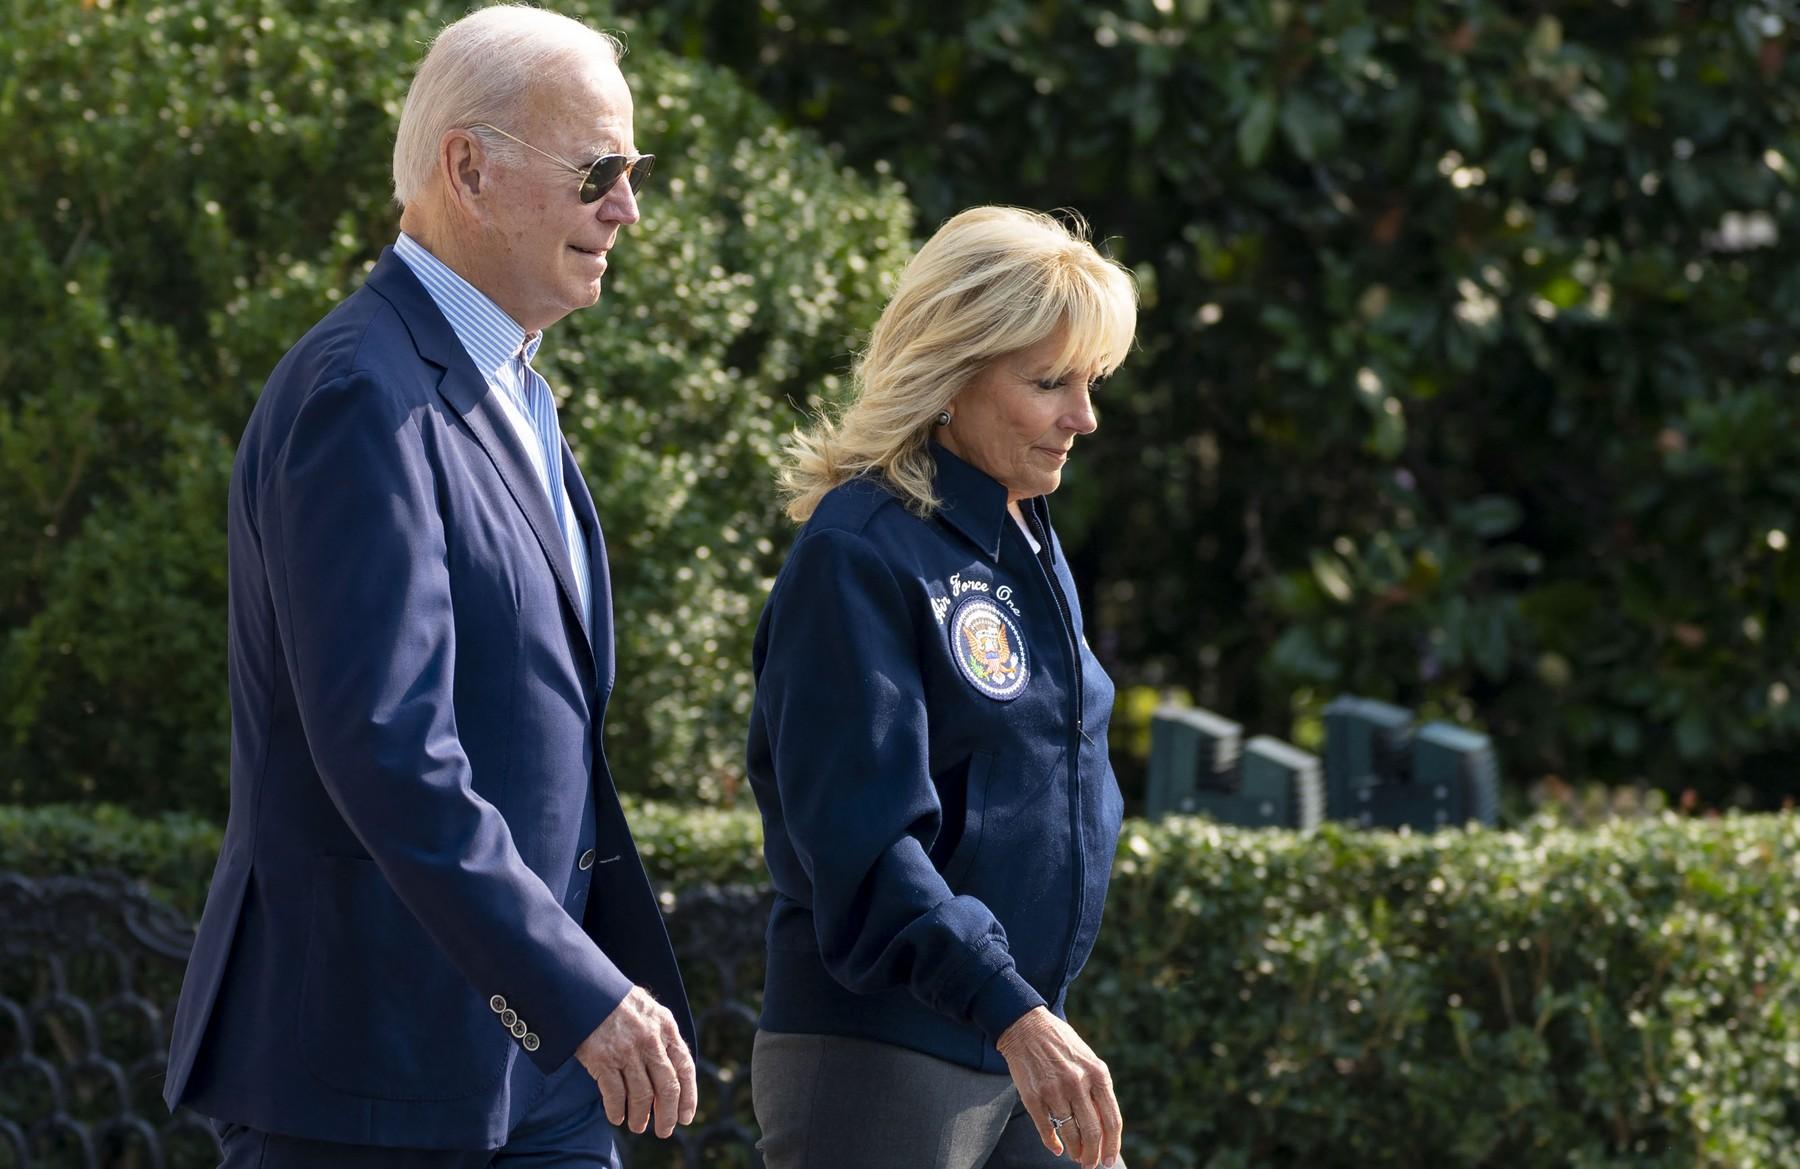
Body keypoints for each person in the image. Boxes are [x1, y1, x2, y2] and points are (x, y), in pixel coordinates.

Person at [161, 8, 696, 1166]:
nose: (626, 207)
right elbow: (387, 741)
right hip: (369, 1074)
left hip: (532, 1075)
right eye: (597, 171)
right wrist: (572, 984)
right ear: (470, 168)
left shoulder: (513, 388)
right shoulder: (362, 390)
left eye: (635, 171)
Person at [746, 206, 1138, 1169]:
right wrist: (1010, 1007)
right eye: (1048, 382)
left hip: (1016, 1031)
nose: (1083, 417)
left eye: (1089, 381)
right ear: (951, 373)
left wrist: (1025, 1011)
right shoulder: (858, 550)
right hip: (885, 1050)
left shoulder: (1025, 531)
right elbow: (865, 840)